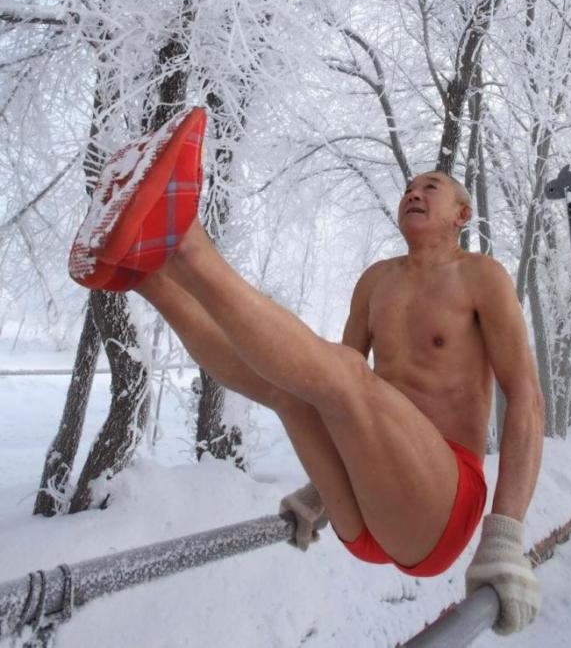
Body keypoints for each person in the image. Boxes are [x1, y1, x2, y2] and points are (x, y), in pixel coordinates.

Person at [69, 108, 544, 635]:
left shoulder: (482, 277)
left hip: (442, 508)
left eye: (430, 187)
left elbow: (526, 399)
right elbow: (327, 391)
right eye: (408, 188)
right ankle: (142, 273)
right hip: (364, 515)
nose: (414, 192)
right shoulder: (376, 282)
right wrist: (323, 490)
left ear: (462, 213)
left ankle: (182, 244)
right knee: (291, 392)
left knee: (341, 375)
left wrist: (505, 536)